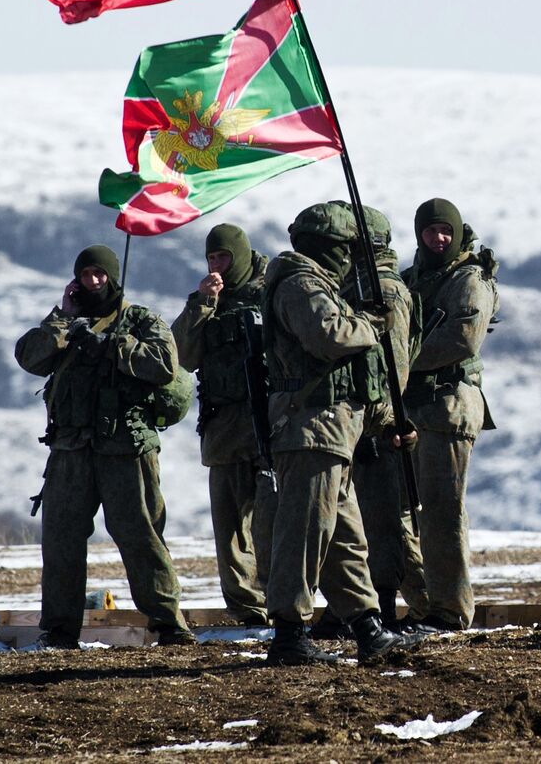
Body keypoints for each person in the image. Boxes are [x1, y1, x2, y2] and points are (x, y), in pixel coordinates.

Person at [14, 244, 195, 648]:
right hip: (71, 451)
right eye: (85, 274)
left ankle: (169, 625)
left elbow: (165, 365)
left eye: (99, 274)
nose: (92, 281)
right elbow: (28, 356)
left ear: (113, 277)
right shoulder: (67, 323)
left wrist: (113, 346)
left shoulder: (141, 320)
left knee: (141, 536)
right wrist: (62, 319)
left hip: (126, 450)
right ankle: (59, 631)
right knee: (61, 540)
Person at [261, 203, 407, 665]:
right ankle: (288, 634)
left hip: (331, 429)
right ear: (334, 249)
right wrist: (371, 324)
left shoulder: (318, 283)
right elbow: (330, 334)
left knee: (343, 536)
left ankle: (367, 626)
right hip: (311, 427)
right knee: (304, 533)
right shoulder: (303, 284)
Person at [400, 199, 499, 634]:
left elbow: (462, 338)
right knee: (407, 511)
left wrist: (398, 359)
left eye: (445, 231)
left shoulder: (468, 278)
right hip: (414, 406)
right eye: (429, 231)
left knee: (442, 511)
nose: (438, 239)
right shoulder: (412, 280)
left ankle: (451, 611)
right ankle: (425, 604)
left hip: (448, 406)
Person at [171, 223, 271, 626]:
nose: (218, 265)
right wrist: (201, 304)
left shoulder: (271, 293)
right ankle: (248, 609)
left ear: (241, 256)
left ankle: (284, 601)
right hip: (224, 428)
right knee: (229, 528)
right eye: (212, 257)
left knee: (273, 521)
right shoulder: (205, 303)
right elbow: (180, 354)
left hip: (267, 425)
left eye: (224, 257)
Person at [343, 205, 427, 633]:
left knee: (388, 520)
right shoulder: (358, 284)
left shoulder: (386, 290)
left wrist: (384, 420)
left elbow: (393, 364)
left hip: (380, 422)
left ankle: (400, 606)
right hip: (365, 420)